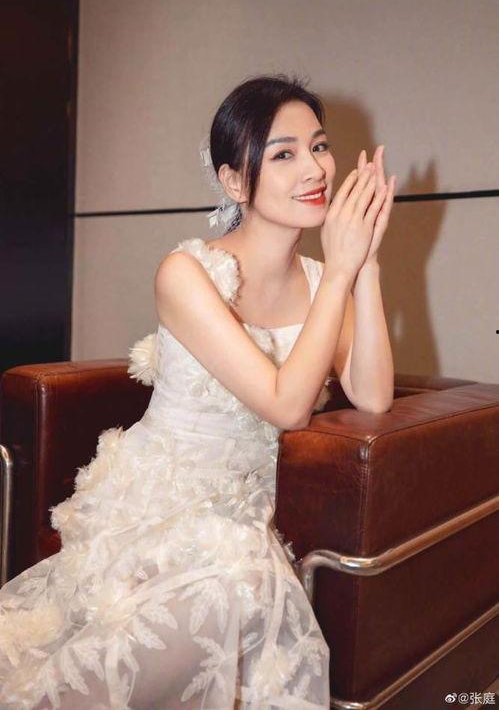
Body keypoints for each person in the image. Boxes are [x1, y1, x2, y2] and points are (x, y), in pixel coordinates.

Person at [0, 74, 395, 708]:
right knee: (234, 580)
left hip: (252, 502)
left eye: (319, 146)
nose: (315, 168)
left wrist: (366, 264)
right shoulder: (186, 273)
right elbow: (287, 405)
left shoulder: (325, 278)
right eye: (284, 153)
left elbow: (372, 396)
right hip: (163, 496)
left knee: (243, 570)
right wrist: (341, 273)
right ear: (235, 181)